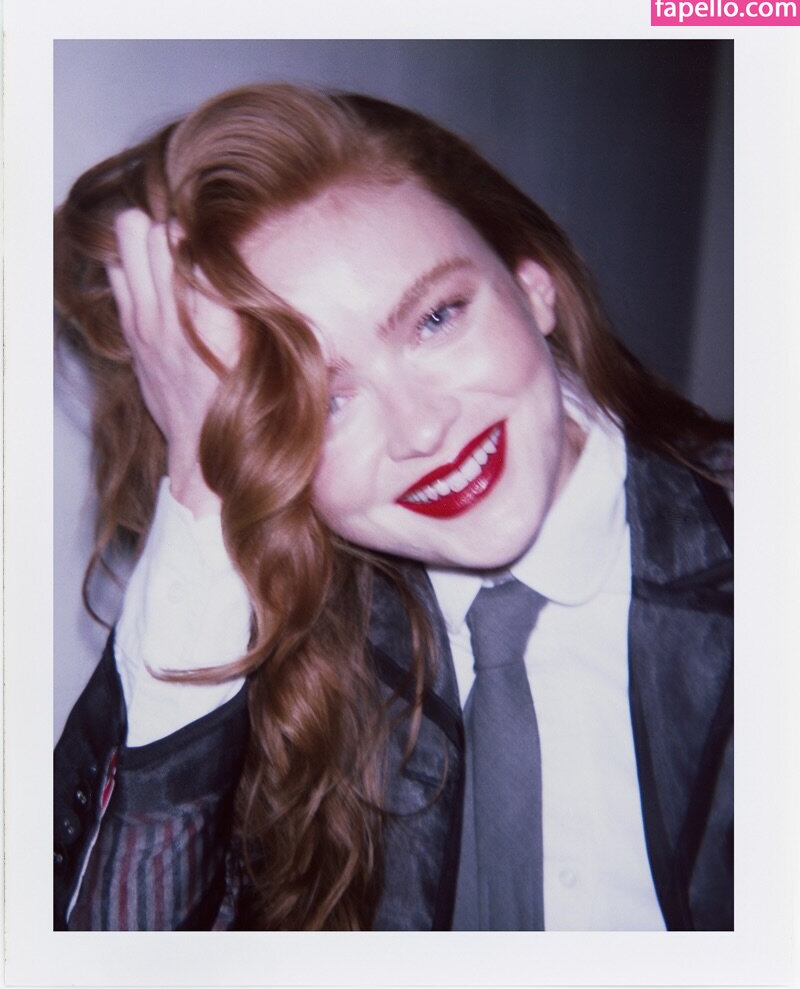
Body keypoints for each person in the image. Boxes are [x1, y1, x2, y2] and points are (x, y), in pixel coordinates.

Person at [53, 83, 733, 932]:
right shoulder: (275, 635)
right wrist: (205, 478)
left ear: (533, 285)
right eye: (323, 402)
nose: (422, 430)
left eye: (436, 318)